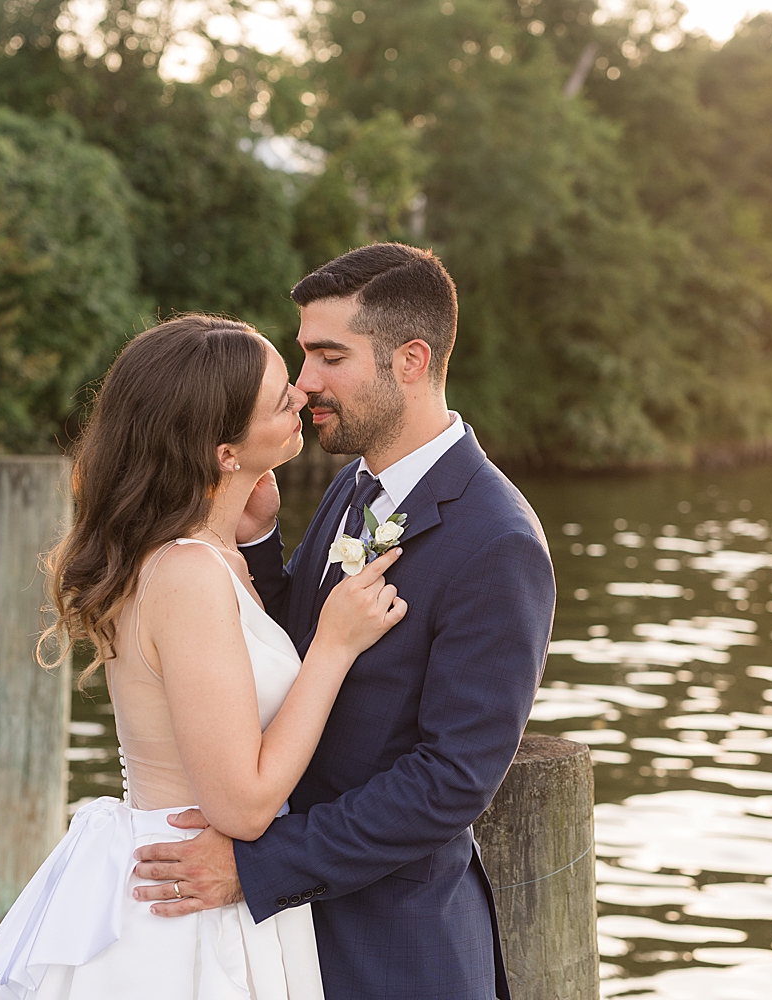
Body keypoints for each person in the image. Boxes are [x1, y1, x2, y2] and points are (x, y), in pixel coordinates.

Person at [129, 244, 557, 1000]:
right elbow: (296, 646)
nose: (305, 384)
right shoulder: (354, 488)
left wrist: (260, 865)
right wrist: (258, 548)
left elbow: (452, 779)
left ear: (410, 360)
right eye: (304, 355)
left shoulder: (498, 541)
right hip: (282, 940)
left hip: (393, 948)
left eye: (330, 356)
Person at [0, 314, 408, 999]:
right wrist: (333, 647)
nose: (301, 396)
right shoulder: (186, 573)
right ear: (223, 452)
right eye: (279, 401)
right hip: (189, 907)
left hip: (204, 884)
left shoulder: (207, 555)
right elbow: (241, 807)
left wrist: (255, 535)